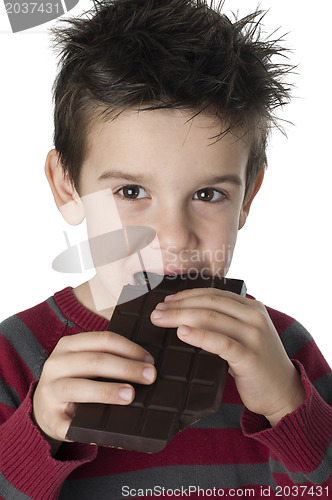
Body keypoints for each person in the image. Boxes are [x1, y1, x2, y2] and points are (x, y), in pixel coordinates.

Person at [0, 0, 331, 498]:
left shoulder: (282, 350)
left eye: (207, 195)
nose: (174, 238)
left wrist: (290, 410)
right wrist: (37, 432)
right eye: (131, 192)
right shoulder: (14, 356)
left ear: (248, 196)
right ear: (67, 185)